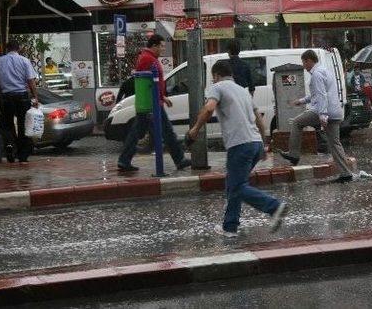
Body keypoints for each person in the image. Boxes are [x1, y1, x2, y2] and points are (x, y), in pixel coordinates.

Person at [187, 60, 287, 237]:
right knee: (233, 184)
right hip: (255, 143)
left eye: (213, 78)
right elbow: (259, 120)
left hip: (239, 144)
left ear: (216, 75)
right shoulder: (243, 91)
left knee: (237, 186)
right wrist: (264, 145)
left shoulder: (217, 87)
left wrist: (195, 129)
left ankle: (274, 206)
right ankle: (230, 226)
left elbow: (209, 108)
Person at [277, 50, 357, 183]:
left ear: (309, 60)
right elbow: (318, 94)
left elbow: (321, 95)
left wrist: (323, 115)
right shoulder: (325, 71)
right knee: (335, 144)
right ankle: (346, 173)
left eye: (304, 62)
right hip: (335, 111)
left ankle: (294, 155)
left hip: (324, 110)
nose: (303, 65)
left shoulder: (317, 74)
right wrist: (301, 101)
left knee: (297, 122)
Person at [117, 35, 191, 172]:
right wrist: (159, 98)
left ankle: (124, 160)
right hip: (151, 104)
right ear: (154, 46)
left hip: (153, 102)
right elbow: (148, 83)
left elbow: (153, 82)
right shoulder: (148, 59)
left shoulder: (149, 58)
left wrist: (162, 96)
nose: (163, 49)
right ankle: (179, 159)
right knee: (167, 132)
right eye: (162, 46)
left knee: (139, 132)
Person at [0, 40, 39, 163]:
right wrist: (35, 97)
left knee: (6, 124)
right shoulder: (24, 61)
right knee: (23, 124)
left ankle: (10, 145)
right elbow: (31, 81)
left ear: (7, 49)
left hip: (6, 97)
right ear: (18, 48)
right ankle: (23, 155)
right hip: (22, 97)